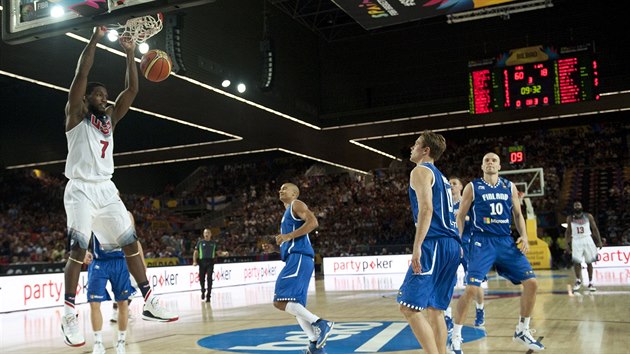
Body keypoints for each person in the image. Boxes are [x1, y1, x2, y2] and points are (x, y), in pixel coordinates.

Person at [60, 26, 177, 347]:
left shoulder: (109, 120)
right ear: (84, 100)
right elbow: (81, 72)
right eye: (98, 94)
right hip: (81, 188)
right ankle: (68, 313)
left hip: (106, 188)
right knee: (77, 250)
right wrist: (96, 37)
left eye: (105, 95)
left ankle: (150, 300)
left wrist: (130, 53)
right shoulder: (75, 117)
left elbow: (132, 91)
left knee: (131, 242)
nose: (104, 97)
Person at [448, 153, 544, 353]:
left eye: (493, 160)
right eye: (486, 160)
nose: (490, 162)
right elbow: (461, 216)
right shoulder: (473, 187)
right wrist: (458, 240)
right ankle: (455, 336)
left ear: (499, 165)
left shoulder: (509, 186)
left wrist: (524, 237)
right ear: (482, 166)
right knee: (472, 289)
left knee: (532, 283)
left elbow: (518, 214)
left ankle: (522, 330)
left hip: (505, 242)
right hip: (481, 242)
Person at [397, 131, 461, 354]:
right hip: (452, 246)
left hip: (434, 244)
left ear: (426, 150)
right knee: (436, 310)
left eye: (416, 144)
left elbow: (426, 209)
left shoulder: (420, 171)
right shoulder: (441, 177)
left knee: (408, 306)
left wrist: (417, 248)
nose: (411, 148)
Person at [273, 183, 334, 354]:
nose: (280, 190)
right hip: (296, 258)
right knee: (295, 305)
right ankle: (314, 344)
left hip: (299, 258)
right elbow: (291, 242)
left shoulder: (296, 204)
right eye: (280, 188)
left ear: (294, 193)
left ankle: (322, 323)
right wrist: (276, 247)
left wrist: (288, 236)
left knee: (280, 301)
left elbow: (313, 222)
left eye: (284, 188)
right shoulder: (287, 214)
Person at [444, 177, 485, 333]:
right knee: (446, 282)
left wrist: (466, 218)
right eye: (450, 184)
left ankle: (480, 310)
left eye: (454, 183)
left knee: (475, 283)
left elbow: (479, 223)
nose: (451, 186)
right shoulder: (445, 205)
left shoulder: (468, 204)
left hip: (469, 246)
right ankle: (447, 316)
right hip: (451, 247)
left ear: (461, 187)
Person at [84, 233, 137, 354]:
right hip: (98, 261)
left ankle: (121, 342)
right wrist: (85, 250)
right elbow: (84, 232)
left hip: (119, 262)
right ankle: (98, 344)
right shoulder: (93, 214)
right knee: (94, 303)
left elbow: (134, 241)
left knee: (123, 303)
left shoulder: (125, 216)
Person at [565, 201, 603, 291]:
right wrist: (567, 244)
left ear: (582, 206)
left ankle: (590, 282)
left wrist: (599, 241)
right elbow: (568, 231)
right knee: (576, 262)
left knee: (589, 262)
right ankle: (578, 280)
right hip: (576, 240)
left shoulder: (588, 216)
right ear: (573, 208)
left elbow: (594, 229)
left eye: (578, 205)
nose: (577, 207)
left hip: (587, 239)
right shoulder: (570, 218)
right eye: (575, 205)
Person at [193, 228, 218, 302]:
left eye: (208, 233)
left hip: (210, 262)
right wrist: (194, 261)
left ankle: (208, 295)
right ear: (203, 234)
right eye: (205, 233)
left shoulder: (213, 243)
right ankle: (203, 290)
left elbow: (217, 252)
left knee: (209, 278)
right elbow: (196, 252)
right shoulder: (200, 242)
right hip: (202, 262)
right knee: (201, 278)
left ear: (210, 234)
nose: (206, 234)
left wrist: (224, 253)